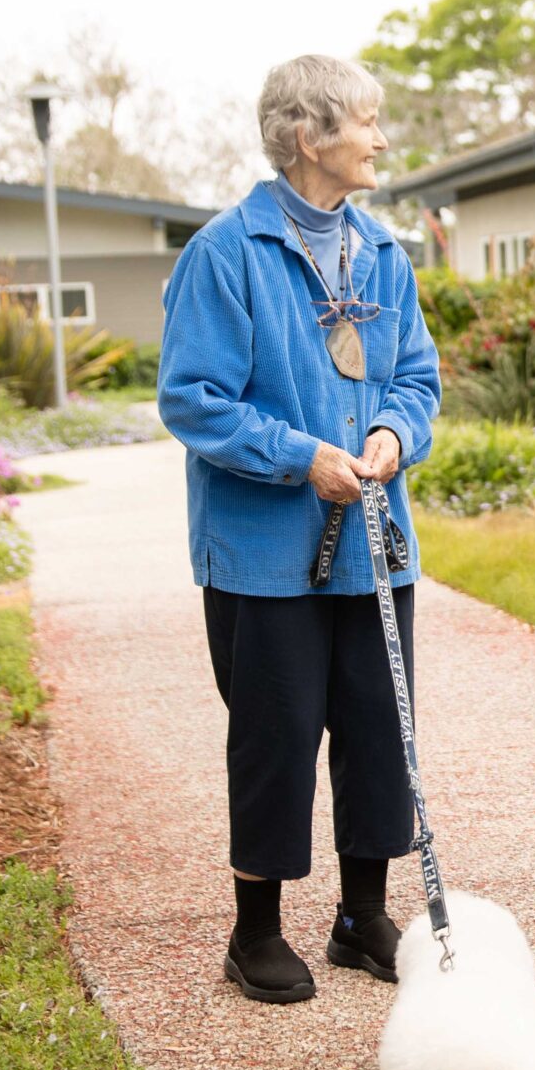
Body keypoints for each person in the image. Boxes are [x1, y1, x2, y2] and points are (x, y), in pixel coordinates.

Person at [158, 53, 442, 1005]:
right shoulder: (225, 254)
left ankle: (364, 919)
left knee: (377, 728)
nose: (380, 137)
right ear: (309, 135)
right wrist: (301, 455)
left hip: (376, 545)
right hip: (264, 556)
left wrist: (392, 434)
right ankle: (256, 931)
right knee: (274, 738)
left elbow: (417, 381)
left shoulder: (387, 255)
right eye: (366, 120)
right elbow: (193, 399)